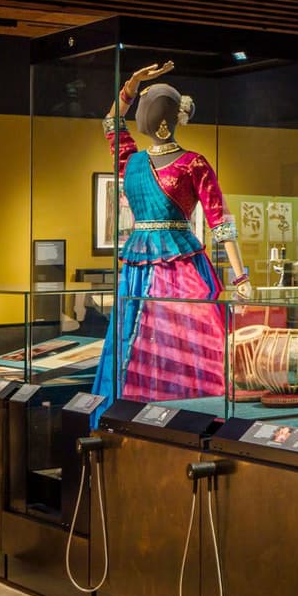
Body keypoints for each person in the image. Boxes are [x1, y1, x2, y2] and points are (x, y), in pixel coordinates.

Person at [91, 61, 252, 417]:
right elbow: (220, 222)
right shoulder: (170, 163)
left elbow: (111, 122)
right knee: (164, 338)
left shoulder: (148, 162)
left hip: (156, 267)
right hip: (165, 265)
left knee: (165, 337)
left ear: (157, 119)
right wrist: (241, 277)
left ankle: (172, 411)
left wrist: (130, 87)